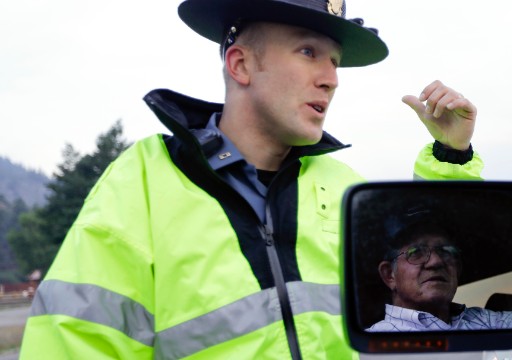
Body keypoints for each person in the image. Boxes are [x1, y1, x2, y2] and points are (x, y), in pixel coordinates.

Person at [20, 0, 484, 359]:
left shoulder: (345, 189)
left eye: (335, 62)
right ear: (240, 65)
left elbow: (432, 253)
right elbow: (76, 341)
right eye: (309, 52)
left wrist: (451, 152)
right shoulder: (141, 181)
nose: (331, 79)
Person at [367, 220, 512, 332]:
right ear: (390, 275)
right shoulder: (372, 344)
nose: (436, 261)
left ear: (458, 269)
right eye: (416, 252)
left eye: (446, 251)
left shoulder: (493, 323)